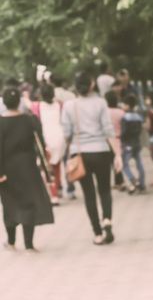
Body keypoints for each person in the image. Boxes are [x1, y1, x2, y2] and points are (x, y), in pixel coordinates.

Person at [61, 71, 122, 245]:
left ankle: (97, 233)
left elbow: (66, 133)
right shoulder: (101, 103)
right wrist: (117, 154)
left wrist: (68, 153)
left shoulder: (69, 106)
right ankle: (107, 221)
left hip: (79, 154)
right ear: (92, 85)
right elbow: (109, 131)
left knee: (89, 194)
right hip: (101, 151)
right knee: (104, 190)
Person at [0, 87, 54, 251]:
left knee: (10, 204)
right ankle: (29, 244)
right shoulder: (29, 119)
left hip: (7, 168)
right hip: (28, 166)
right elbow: (41, 143)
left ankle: (11, 241)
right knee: (28, 203)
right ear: (19, 102)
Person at [30, 84, 66, 206]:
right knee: (57, 166)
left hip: (45, 138)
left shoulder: (37, 106)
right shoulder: (60, 105)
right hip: (60, 138)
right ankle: (58, 187)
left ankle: (54, 194)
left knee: (46, 168)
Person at [120, 94, 146, 194]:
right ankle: (142, 184)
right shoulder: (138, 117)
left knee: (125, 165)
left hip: (128, 144)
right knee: (139, 164)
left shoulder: (125, 118)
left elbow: (124, 132)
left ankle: (133, 180)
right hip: (137, 143)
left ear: (127, 105)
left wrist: (122, 140)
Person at [104, 90, 126, 192]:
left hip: (106, 140)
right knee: (117, 161)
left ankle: (106, 183)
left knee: (106, 163)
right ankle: (119, 182)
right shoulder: (121, 112)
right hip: (118, 138)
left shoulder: (104, 112)